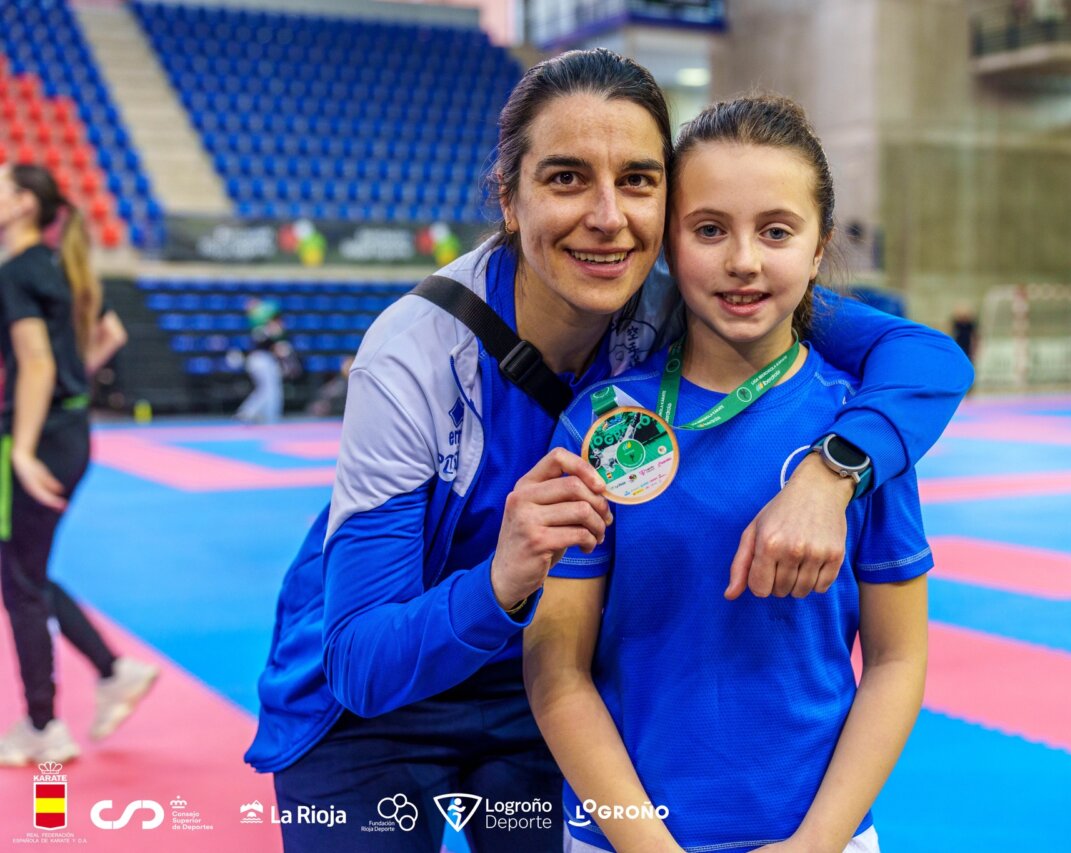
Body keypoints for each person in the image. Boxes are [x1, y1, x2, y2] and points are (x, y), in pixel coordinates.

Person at [245, 49, 971, 853]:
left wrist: (828, 474)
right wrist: (500, 580)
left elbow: (928, 360)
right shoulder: (414, 355)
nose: (606, 216)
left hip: (543, 682)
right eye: (566, 178)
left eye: (636, 180)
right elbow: (360, 662)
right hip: (378, 698)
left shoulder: (693, 292)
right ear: (508, 198)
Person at [525, 95, 928, 853]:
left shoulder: (860, 436)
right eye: (710, 230)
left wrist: (816, 843)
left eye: (777, 231)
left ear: (819, 248)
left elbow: (898, 659)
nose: (744, 260)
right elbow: (557, 673)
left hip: (818, 836)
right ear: (668, 245)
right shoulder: (602, 425)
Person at [0, 164, 158, 765]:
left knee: (19, 584)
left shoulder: (18, 272)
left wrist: (21, 447)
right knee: (27, 572)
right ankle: (113, 670)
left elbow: (37, 362)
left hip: (38, 440)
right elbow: (109, 333)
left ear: (22, 205)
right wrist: (71, 385)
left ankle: (43, 727)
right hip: (69, 432)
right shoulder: (58, 266)